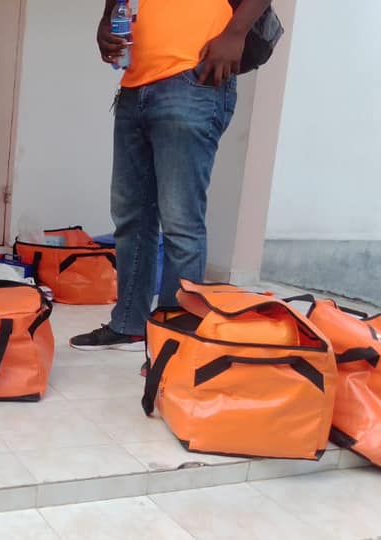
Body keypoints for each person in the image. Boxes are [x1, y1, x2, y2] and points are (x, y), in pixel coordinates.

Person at [71, 0, 271, 351]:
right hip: (135, 85)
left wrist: (235, 34)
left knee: (180, 222)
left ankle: (175, 340)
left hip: (193, 80)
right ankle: (129, 325)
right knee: (131, 217)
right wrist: (106, 20)